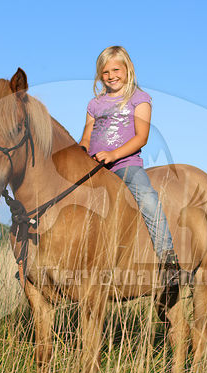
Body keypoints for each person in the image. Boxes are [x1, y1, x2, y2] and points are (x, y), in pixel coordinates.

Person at [78, 45, 181, 298]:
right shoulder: (95, 103)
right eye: (105, 72)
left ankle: (169, 260)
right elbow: (86, 137)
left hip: (125, 165)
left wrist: (113, 155)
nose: (111, 75)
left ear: (128, 70)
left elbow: (142, 137)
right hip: (95, 168)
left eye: (116, 69)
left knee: (148, 199)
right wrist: (79, 153)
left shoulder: (139, 98)